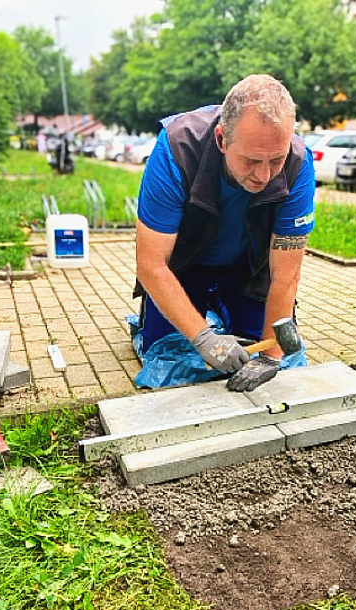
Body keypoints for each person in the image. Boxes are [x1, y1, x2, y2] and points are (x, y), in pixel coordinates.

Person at [135, 74, 315, 392]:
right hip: (184, 269)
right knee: (172, 353)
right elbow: (151, 265)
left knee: (274, 353)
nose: (264, 175)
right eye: (250, 161)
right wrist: (205, 339)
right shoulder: (176, 150)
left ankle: (223, 304)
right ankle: (197, 312)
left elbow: (285, 275)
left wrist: (271, 356)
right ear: (221, 139)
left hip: (248, 270)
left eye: (276, 159)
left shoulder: (298, 165)